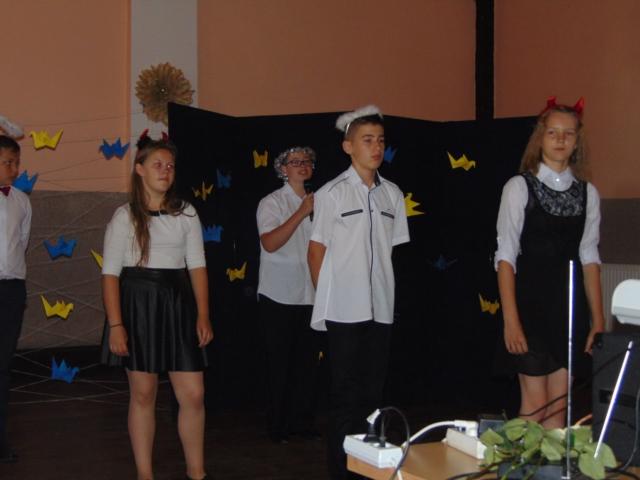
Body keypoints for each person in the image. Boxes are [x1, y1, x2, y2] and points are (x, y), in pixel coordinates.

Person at [100, 134, 213, 480]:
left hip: (178, 305)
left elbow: (197, 266)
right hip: (138, 306)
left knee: (193, 394)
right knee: (144, 394)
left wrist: (203, 314)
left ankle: (197, 472)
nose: (165, 171)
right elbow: (110, 275)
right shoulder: (124, 217)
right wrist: (116, 325)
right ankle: (145, 474)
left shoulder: (186, 213)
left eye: (170, 166)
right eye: (157, 165)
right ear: (139, 169)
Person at [308, 105, 410, 479]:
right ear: (348, 146)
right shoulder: (331, 193)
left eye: (380, 140)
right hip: (343, 311)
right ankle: (341, 472)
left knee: (372, 397)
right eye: (367, 140)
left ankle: (369, 469)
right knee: (344, 398)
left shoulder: (393, 194)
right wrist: (328, 298)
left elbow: (391, 251)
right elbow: (315, 250)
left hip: (380, 309)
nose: (376, 147)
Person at [495, 97, 605, 429]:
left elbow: (589, 256)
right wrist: (511, 320)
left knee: (559, 410)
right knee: (534, 408)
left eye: (568, 134)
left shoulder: (588, 194)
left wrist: (598, 319)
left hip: (569, 310)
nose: (560, 140)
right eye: (553, 132)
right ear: (540, 137)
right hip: (529, 308)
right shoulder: (519, 187)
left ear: (577, 141)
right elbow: (505, 256)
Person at [256, 146, 320, 444]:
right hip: (278, 295)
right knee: (279, 364)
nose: (302, 166)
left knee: (306, 364)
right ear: (283, 169)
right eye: (295, 162)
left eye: (306, 161)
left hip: (311, 294)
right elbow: (270, 243)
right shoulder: (271, 202)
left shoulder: (320, 202)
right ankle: (277, 426)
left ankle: (302, 422)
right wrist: (301, 212)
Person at [0, 135, 31, 464]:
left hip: (10, 290)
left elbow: (21, 242)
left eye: (16, 162)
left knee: (2, 365)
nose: (14, 169)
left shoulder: (22, 201)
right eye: (8, 162)